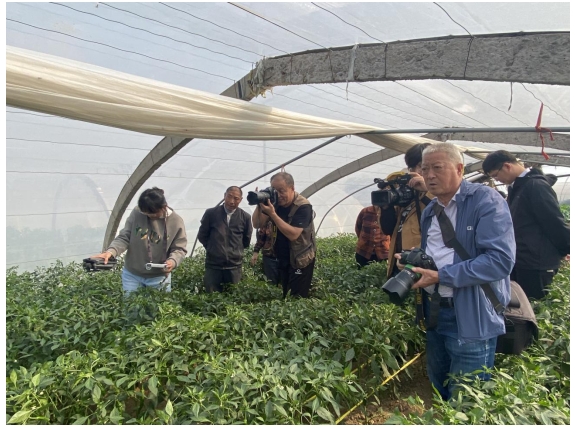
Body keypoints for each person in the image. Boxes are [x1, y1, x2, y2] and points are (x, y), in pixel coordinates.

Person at [399, 143, 515, 400]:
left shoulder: (485, 200)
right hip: (435, 310)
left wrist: (442, 276)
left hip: (470, 313)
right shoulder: (431, 210)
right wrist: (414, 262)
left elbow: (499, 260)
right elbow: (437, 253)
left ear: (459, 169)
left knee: (467, 397)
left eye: (437, 168)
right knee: (439, 386)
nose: (429, 175)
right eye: (425, 169)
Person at [482, 150, 570, 299]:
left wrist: (565, 249)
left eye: (496, 175)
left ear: (507, 166)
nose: (497, 180)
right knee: (521, 305)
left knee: (534, 305)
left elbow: (553, 222)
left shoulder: (535, 186)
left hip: (536, 262)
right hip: (524, 260)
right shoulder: (517, 188)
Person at [92, 187, 188, 293]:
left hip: (158, 277)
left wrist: (173, 261)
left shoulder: (176, 221)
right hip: (132, 274)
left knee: (158, 304)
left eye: (152, 214)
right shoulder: (137, 213)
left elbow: (179, 248)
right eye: (145, 213)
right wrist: (111, 251)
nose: (149, 216)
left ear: (164, 207)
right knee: (131, 303)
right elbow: (125, 236)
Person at [252, 172, 316, 298]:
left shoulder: (303, 206)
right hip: (282, 257)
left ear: (292, 188)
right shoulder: (274, 203)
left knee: (297, 296)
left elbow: (293, 235)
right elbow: (257, 224)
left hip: (300, 259)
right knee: (285, 293)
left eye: (281, 191)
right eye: (274, 190)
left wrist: (273, 214)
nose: (278, 195)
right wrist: (260, 205)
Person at [379, 143, 434, 279]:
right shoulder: (406, 195)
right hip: (400, 262)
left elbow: (444, 212)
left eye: (422, 166)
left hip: (422, 264)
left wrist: (427, 190)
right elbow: (388, 229)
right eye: (411, 167)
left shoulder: (439, 195)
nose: (415, 171)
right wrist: (386, 208)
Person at [197, 186, 253, 293]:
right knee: (212, 296)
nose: (232, 201)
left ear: (241, 200)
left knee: (234, 297)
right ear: (224, 196)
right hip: (213, 265)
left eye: (236, 198)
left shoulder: (245, 217)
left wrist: (235, 251)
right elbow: (202, 235)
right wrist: (213, 248)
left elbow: (246, 240)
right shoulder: (211, 213)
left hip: (234, 266)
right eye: (229, 197)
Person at [250, 219, 280, 284]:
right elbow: (261, 237)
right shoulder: (268, 220)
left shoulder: (290, 217)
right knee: (271, 283)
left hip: (286, 257)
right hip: (269, 257)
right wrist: (256, 252)